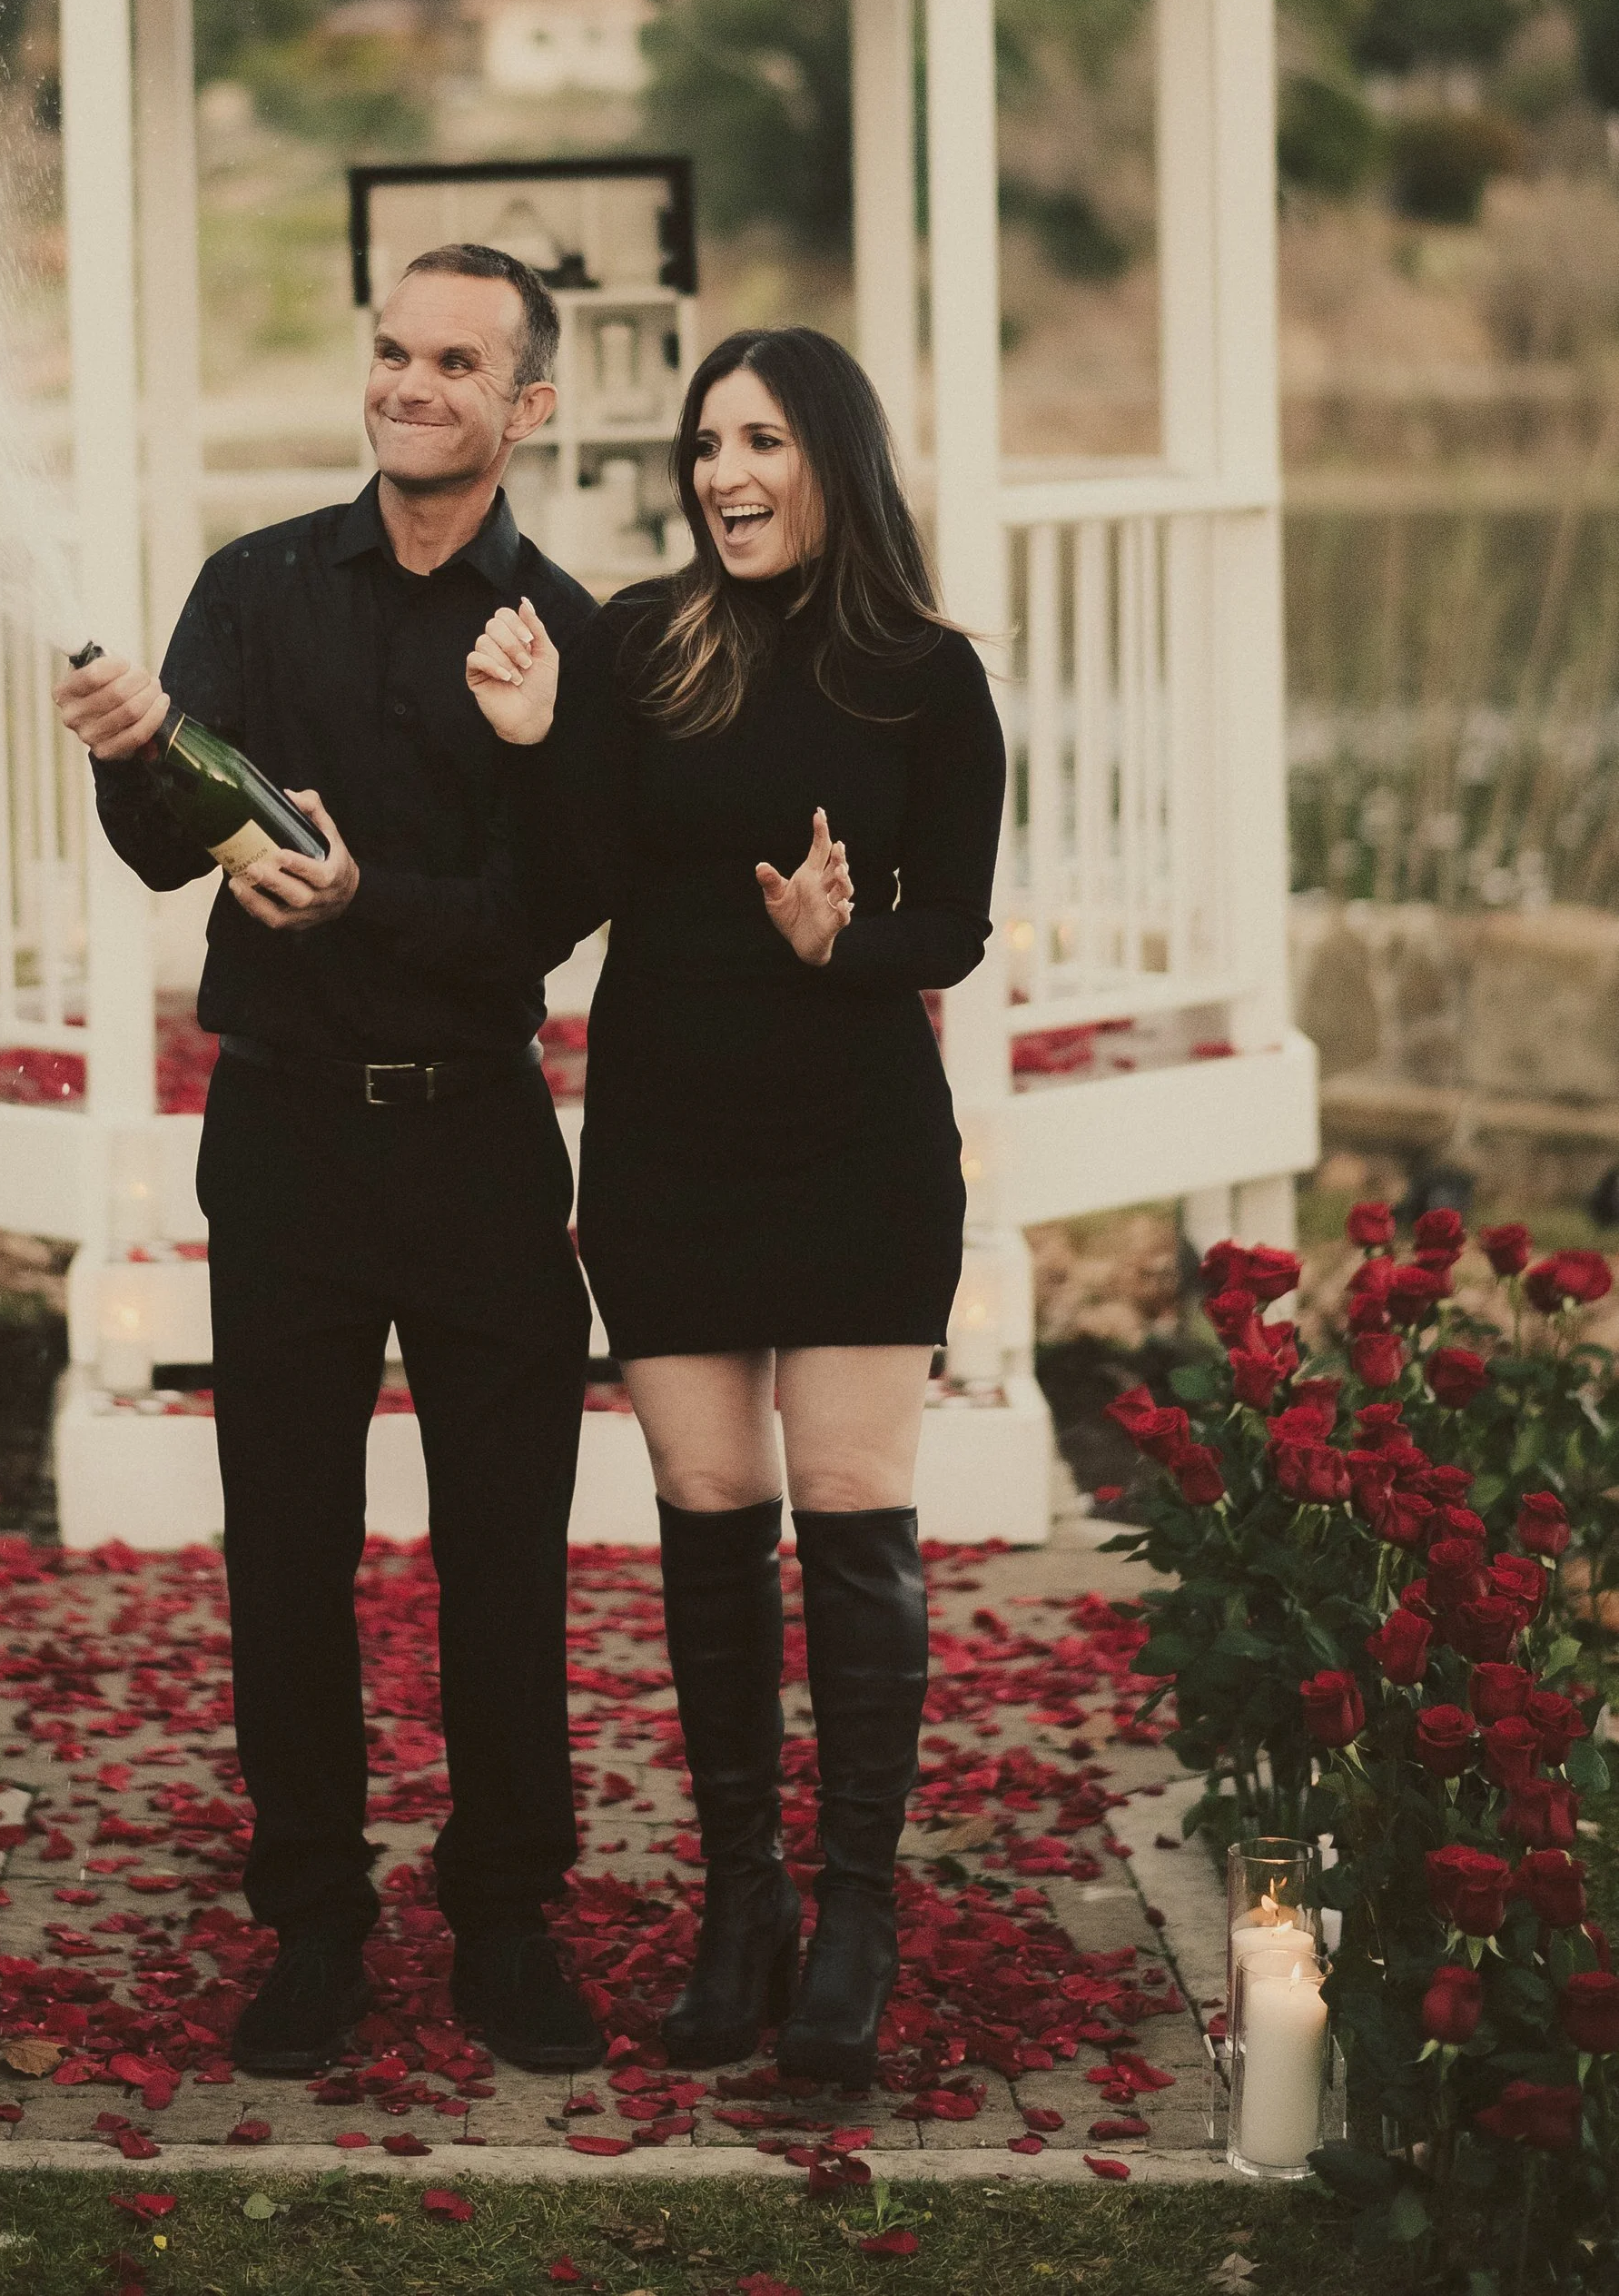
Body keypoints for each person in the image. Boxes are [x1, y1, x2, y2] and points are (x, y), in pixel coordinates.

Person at [54, 244, 605, 2081]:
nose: (409, 383)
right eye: (390, 349)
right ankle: (312, 1925)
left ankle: (505, 1920)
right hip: (283, 1131)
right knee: (284, 1549)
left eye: (456, 361)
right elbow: (166, 845)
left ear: (528, 406)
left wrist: (373, 896)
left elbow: (547, 908)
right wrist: (136, 758)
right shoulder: (255, 585)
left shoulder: (563, 636)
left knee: (504, 1550)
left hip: (477, 1139)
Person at [464, 326, 1004, 2089]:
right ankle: (742, 1902)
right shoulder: (643, 643)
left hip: (855, 1141)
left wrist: (846, 937)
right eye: (706, 443)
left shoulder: (926, 675)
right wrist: (535, 741)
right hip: (667, 1139)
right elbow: (581, 874)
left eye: (761, 440)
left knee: (851, 1513)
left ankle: (854, 1915)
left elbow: (954, 927)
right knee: (705, 1508)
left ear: (832, 459)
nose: (724, 474)